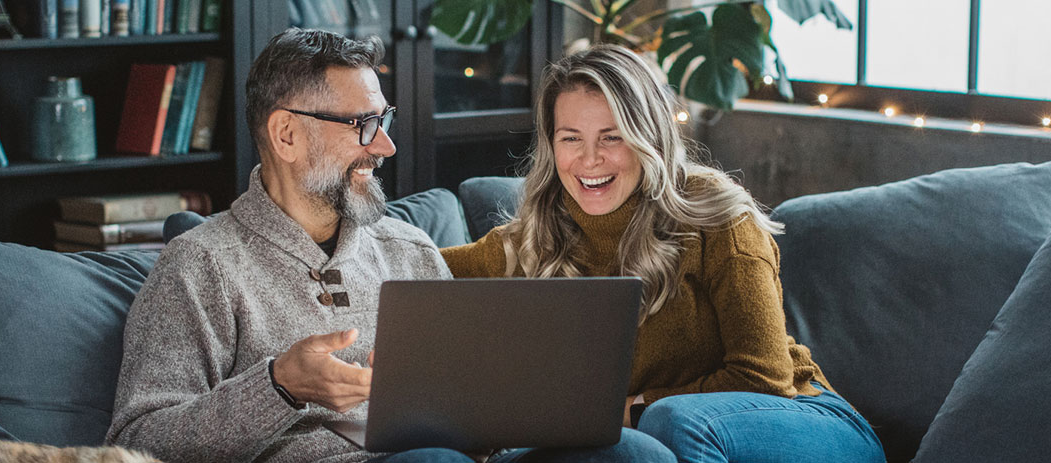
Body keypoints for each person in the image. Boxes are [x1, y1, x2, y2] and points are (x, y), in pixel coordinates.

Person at [107, 29, 670, 463]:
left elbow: (467, 400)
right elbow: (138, 441)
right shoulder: (199, 265)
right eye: (363, 123)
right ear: (286, 135)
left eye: (386, 119)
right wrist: (279, 385)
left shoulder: (408, 248)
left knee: (632, 451)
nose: (386, 144)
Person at [441, 45, 887, 463]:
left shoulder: (716, 213)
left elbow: (766, 376)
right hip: (666, 436)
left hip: (805, 420)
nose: (590, 159)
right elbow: (412, 268)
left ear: (647, 137)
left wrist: (627, 410)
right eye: (571, 138)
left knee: (669, 420)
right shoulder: (533, 238)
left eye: (612, 137)